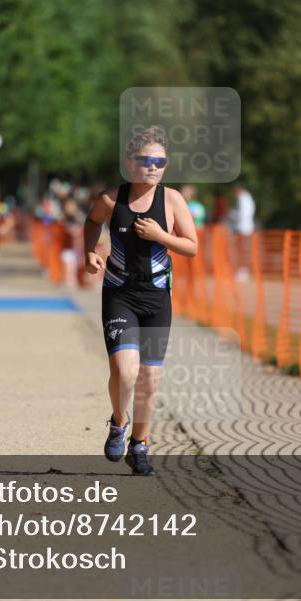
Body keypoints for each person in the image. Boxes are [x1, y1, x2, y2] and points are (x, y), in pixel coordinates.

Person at [84, 126, 198, 476]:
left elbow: (191, 247)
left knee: (149, 378)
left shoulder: (173, 201)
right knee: (123, 370)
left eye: (159, 162)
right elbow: (91, 222)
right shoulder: (111, 199)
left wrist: (161, 235)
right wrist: (90, 252)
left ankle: (140, 444)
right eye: (145, 161)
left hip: (156, 298)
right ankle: (119, 422)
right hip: (120, 293)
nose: (152, 167)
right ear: (129, 163)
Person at [228, 184, 255, 280]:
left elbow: (242, 215)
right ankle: (242, 270)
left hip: (242, 229)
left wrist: (231, 214)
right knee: (242, 250)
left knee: (243, 250)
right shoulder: (246, 198)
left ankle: (243, 271)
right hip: (244, 228)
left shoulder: (243, 199)